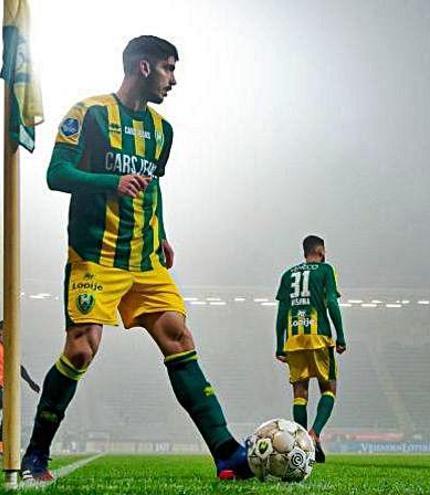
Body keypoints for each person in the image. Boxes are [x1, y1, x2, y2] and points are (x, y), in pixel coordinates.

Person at [21, 35, 252, 482]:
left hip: (144, 259)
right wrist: (111, 180)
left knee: (178, 337)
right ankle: (36, 456)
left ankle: (225, 453)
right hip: (95, 256)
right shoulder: (87, 113)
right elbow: (56, 174)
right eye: (169, 69)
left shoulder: (162, 130)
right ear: (143, 68)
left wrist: (162, 232)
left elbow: (154, 183)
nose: (174, 80)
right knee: (81, 350)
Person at [274, 235, 346, 463]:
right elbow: (332, 302)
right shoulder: (326, 270)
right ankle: (314, 434)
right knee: (329, 387)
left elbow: (281, 312)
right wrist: (341, 335)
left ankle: (301, 445)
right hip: (318, 336)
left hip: (294, 339)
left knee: (300, 393)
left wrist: (279, 344)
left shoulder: (287, 275)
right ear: (321, 250)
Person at [0, 320, 42, 454]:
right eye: (5, 331)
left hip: (2, 385)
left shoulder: (7, 348)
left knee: (8, 412)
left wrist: (30, 382)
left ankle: (1, 444)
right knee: (7, 410)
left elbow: (19, 367)